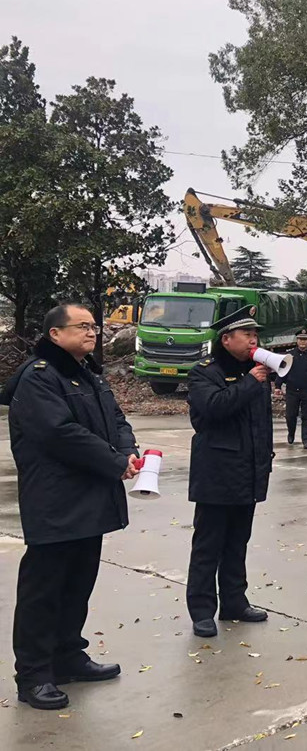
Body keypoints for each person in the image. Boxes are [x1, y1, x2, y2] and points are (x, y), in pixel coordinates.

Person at [0, 304, 139, 710]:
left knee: (78, 584)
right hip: (55, 500)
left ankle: (68, 657)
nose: (92, 332)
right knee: (43, 591)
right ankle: (33, 675)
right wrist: (114, 462)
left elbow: (117, 419)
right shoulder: (39, 377)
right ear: (55, 334)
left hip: (90, 497)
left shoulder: (88, 374)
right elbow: (60, 434)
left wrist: (128, 451)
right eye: (82, 326)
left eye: (93, 326)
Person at [186, 306, 274, 639]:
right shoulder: (204, 372)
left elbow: (261, 424)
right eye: (247, 335)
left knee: (238, 543)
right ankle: (202, 611)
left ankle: (235, 602)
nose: (254, 340)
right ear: (226, 339)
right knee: (208, 546)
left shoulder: (256, 372)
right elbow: (213, 409)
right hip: (216, 473)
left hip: (247, 473)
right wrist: (250, 383)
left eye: (256, 335)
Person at [273, 326, 307, 449]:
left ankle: (306, 440)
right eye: (300, 339)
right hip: (292, 390)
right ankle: (291, 433)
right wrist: (277, 386)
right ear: (297, 340)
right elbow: (282, 371)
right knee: (290, 415)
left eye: (305, 339)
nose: (303, 342)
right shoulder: (290, 355)